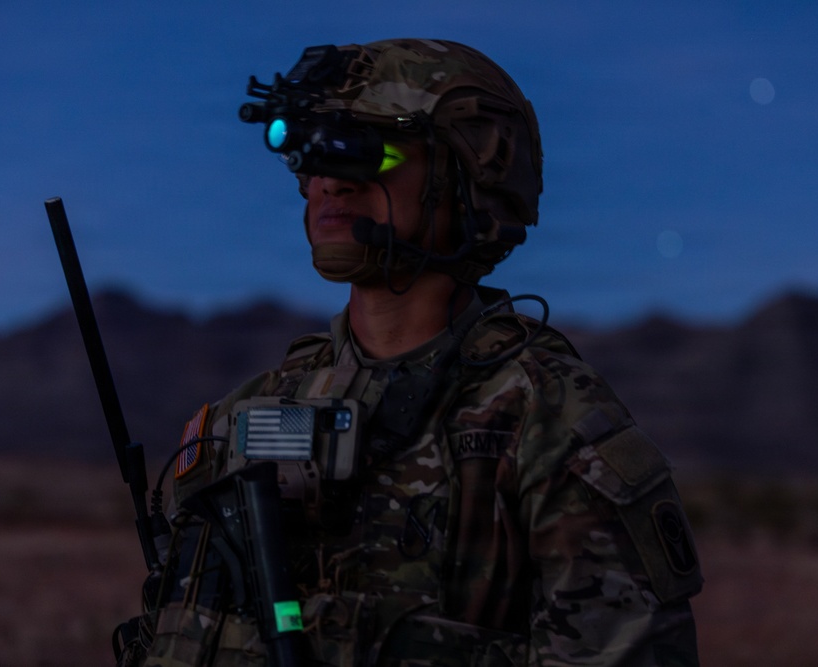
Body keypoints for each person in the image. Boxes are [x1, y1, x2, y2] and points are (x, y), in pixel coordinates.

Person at [119, 38, 703, 667]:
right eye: (311, 154)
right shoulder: (253, 411)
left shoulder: (545, 416)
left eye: (368, 151)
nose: (329, 184)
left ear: (469, 177)